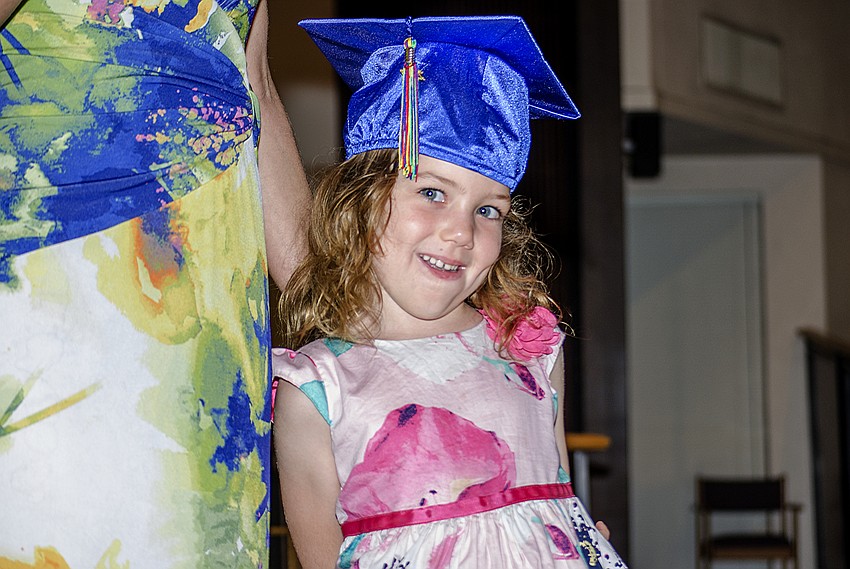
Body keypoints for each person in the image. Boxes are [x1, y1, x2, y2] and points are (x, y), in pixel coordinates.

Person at [272, 16, 627, 569]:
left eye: (488, 210)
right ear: (360, 202)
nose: (462, 232)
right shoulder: (318, 388)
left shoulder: (528, 347)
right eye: (433, 192)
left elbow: (556, 497)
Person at [0, 0, 309, 566]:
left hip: (218, 263)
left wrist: (345, 321)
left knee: (196, 525)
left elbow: (254, 80)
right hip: (66, 248)